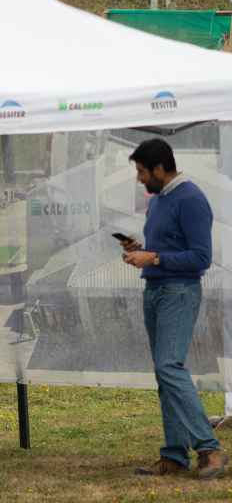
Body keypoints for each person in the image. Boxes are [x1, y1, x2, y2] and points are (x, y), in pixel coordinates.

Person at [121, 138, 227, 479]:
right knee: (164, 373)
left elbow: (200, 257)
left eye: (141, 171)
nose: (139, 178)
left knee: (169, 366)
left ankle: (210, 449)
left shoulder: (191, 199)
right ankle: (174, 455)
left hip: (179, 293)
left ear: (160, 168)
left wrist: (153, 257)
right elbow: (167, 248)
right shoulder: (159, 201)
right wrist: (141, 249)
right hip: (155, 290)